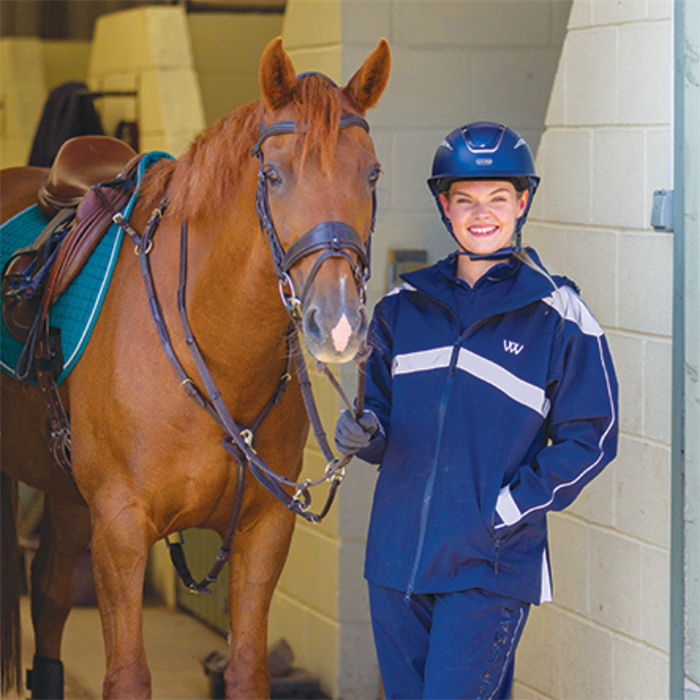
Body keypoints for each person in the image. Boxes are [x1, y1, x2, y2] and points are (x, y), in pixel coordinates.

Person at [334, 121, 619, 700]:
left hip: (488, 567)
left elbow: (593, 436)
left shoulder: (557, 313)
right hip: (396, 565)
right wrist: (365, 433)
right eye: (465, 199)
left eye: (498, 198)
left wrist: (507, 509)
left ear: (522, 203)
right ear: (445, 206)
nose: (481, 213)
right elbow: (383, 418)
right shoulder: (401, 306)